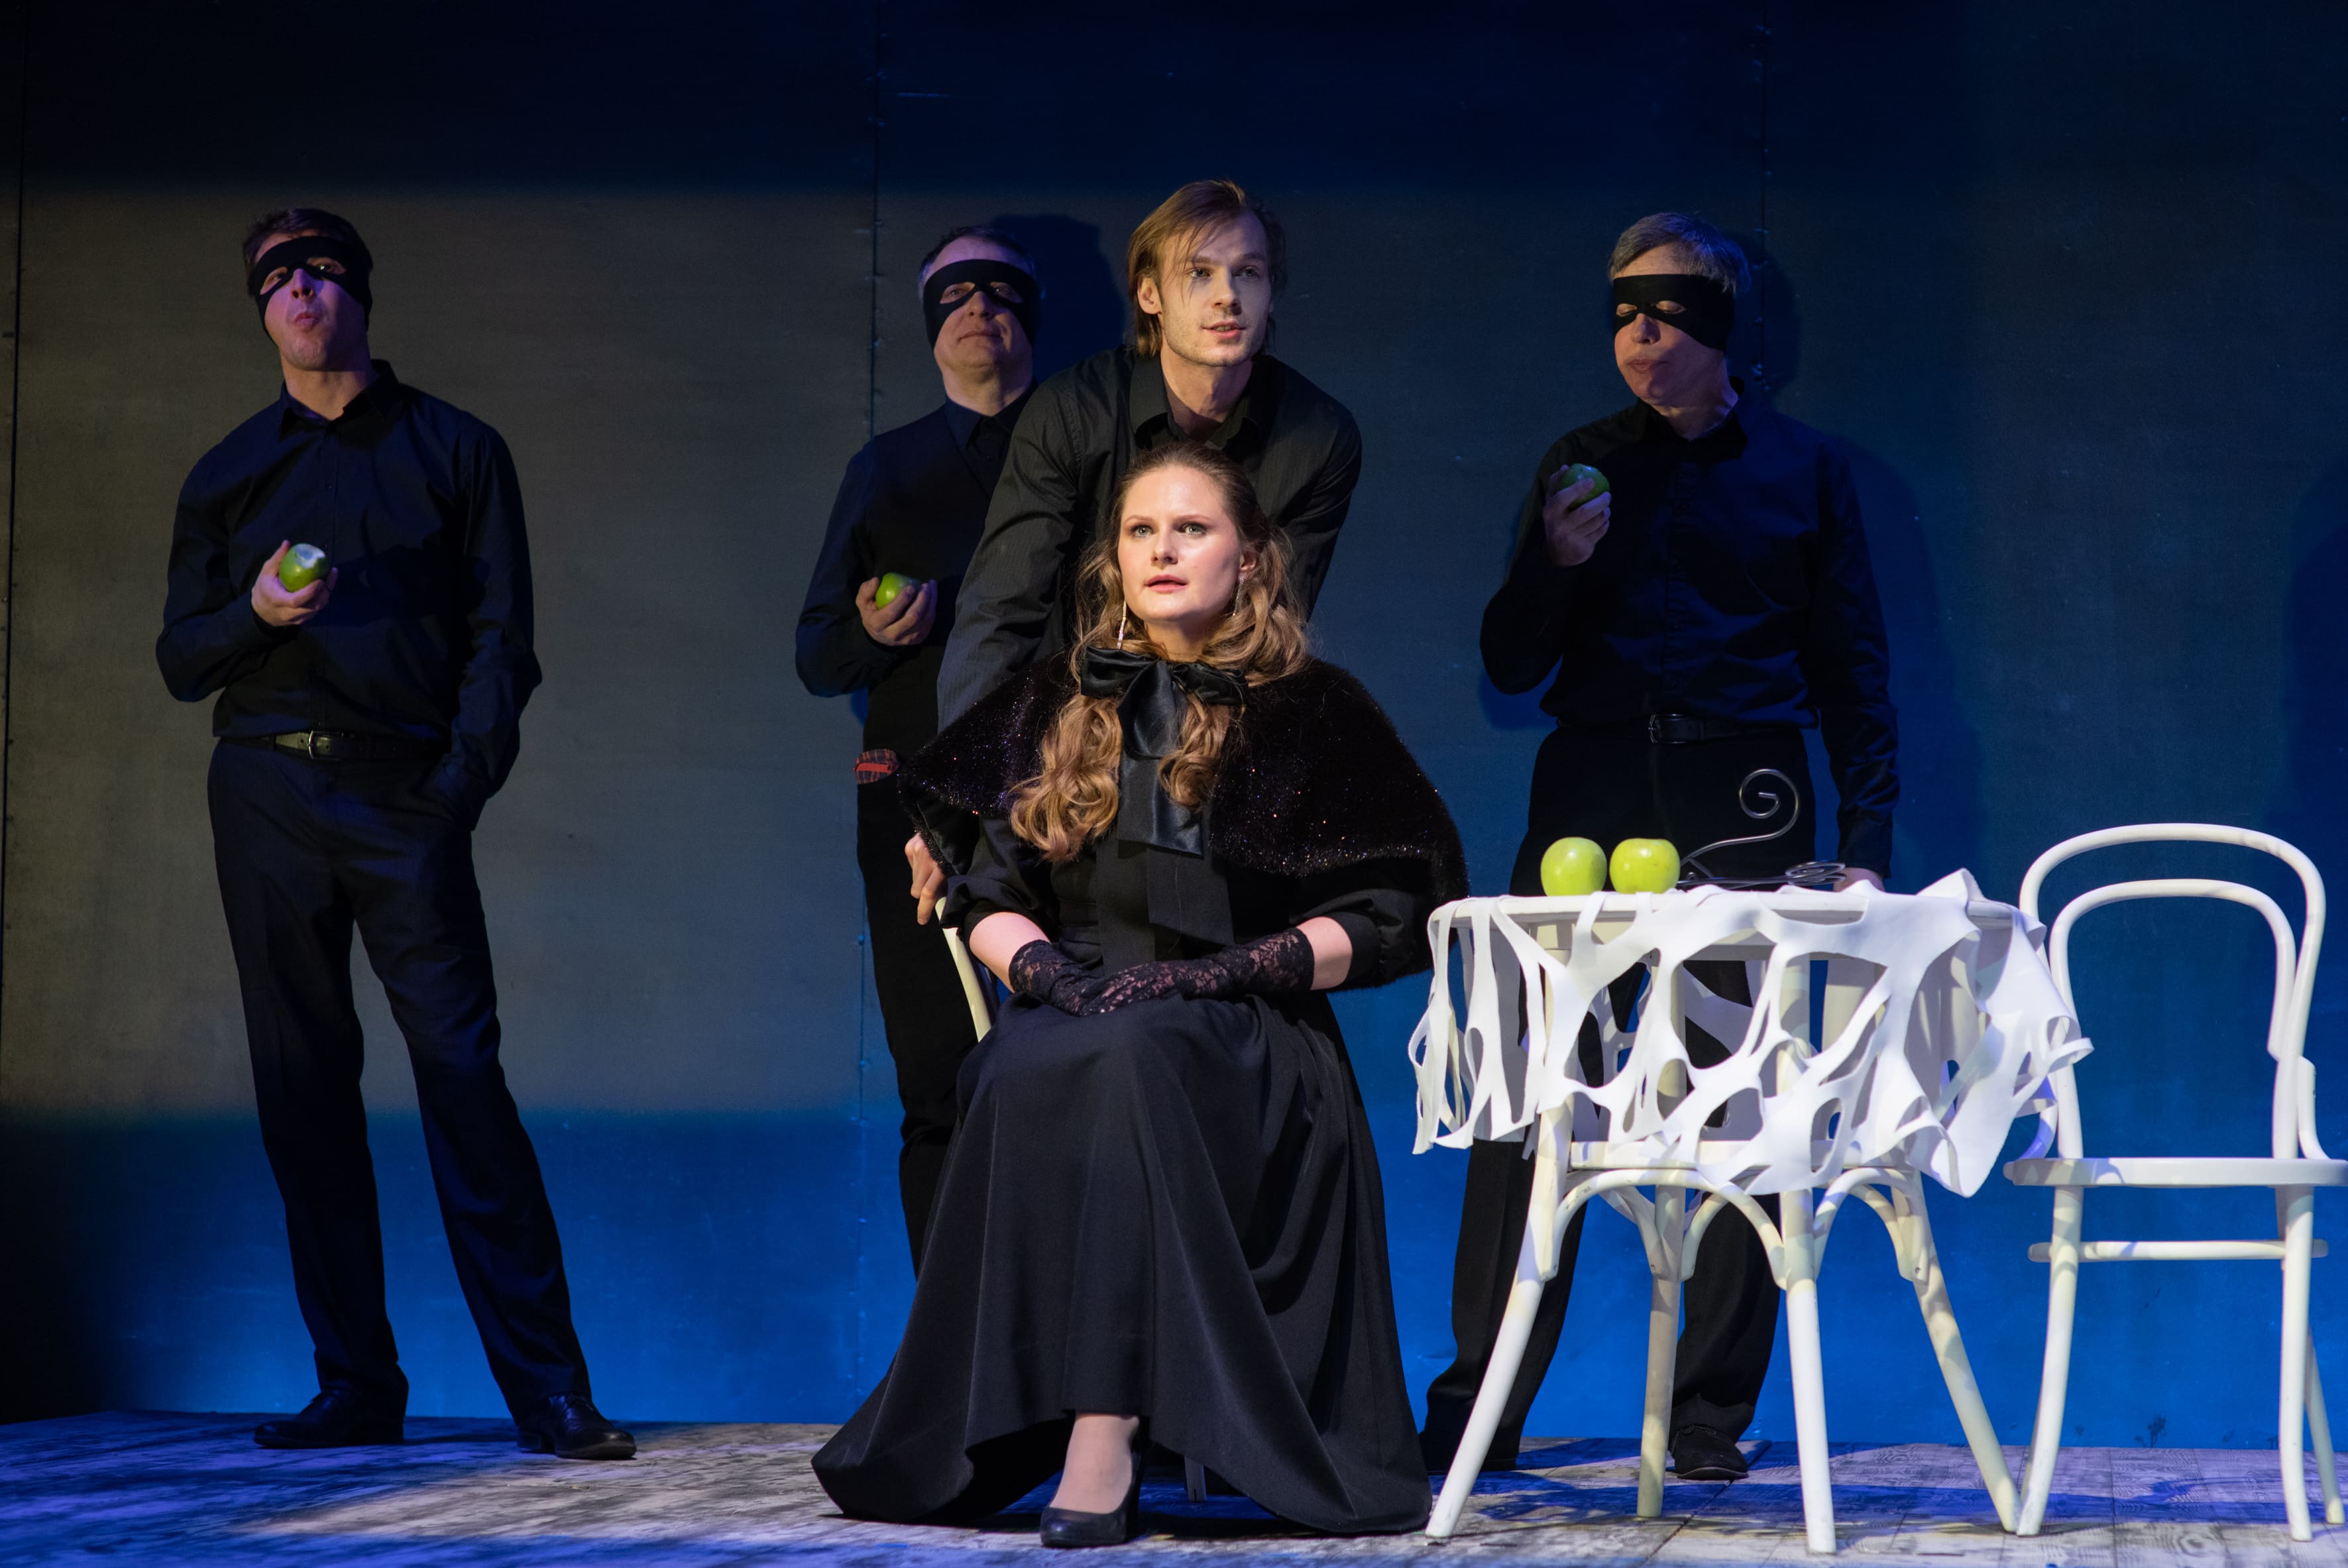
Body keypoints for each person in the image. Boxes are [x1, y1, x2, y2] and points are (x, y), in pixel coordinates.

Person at [813, 443, 1461, 1544]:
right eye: (1141, 531)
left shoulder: (1313, 708)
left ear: (1249, 558)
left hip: (1248, 1028)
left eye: (1192, 528)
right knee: (1011, 1063)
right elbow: (987, 895)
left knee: (1137, 1055)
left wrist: (1216, 972)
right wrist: (1047, 976)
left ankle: (1103, 1431)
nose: (1163, 549)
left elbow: (1386, 918)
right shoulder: (1058, 699)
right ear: (1113, 560)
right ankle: (1040, 1407)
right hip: (1084, 1009)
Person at [1422, 212, 1897, 1483]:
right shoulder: (1579, 464)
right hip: (1587, 790)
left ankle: (1707, 1413)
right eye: (1623, 311)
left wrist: (1867, 835)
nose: (1638, 332)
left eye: (1665, 310)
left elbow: (1853, 663)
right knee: (1533, 1091)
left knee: (1744, 1102)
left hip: (1744, 792)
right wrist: (1556, 562)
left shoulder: (1803, 469)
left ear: (1720, 323)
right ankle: (1482, 1400)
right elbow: (1510, 662)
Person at [155, 208, 630, 1460]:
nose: (302, 292)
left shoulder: (456, 449)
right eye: (278, 279)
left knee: (463, 1077)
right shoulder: (227, 471)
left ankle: (551, 1391)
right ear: (262, 312)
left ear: (360, 293)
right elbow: (181, 658)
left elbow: (502, 642)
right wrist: (256, 613)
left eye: (322, 271)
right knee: (302, 1087)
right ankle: (356, 1382)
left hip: (404, 794)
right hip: (265, 789)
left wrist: (453, 790)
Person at [796, 225, 1041, 1268]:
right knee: (939, 1078)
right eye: (954, 294)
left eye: (999, 289)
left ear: (1031, 315)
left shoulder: (1077, 453)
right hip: (908, 801)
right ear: (930, 328)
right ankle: (954, 1344)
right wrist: (874, 632)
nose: (977, 307)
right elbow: (817, 654)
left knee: (1072, 1069)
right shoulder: (886, 467)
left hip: (1058, 795)